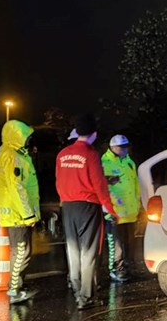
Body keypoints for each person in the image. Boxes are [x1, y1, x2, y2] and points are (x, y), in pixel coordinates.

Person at [55, 114, 117, 310]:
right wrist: (110, 209)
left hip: (68, 206)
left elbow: (58, 180)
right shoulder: (90, 154)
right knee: (89, 251)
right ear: (94, 134)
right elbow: (99, 185)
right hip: (88, 206)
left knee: (73, 249)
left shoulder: (63, 154)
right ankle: (86, 297)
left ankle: (76, 289)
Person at [0, 119, 41, 305]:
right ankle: (14, 290)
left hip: (15, 211)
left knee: (21, 251)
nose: (28, 140)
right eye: (25, 136)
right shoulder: (12, 156)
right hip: (17, 213)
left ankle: (18, 285)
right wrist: (28, 214)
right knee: (21, 251)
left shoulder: (12, 154)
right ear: (17, 137)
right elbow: (16, 188)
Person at [101, 133, 141, 283]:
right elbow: (102, 188)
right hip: (115, 212)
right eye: (122, 147)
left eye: (126, 147)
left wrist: (138, 204)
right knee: (116, 244)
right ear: (113, 148)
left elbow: (135, 184)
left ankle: (127, 267)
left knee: (130, 242)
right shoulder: (105, 163)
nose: (125, 150)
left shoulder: (129, 162)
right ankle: (115, 269)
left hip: (131, 212)